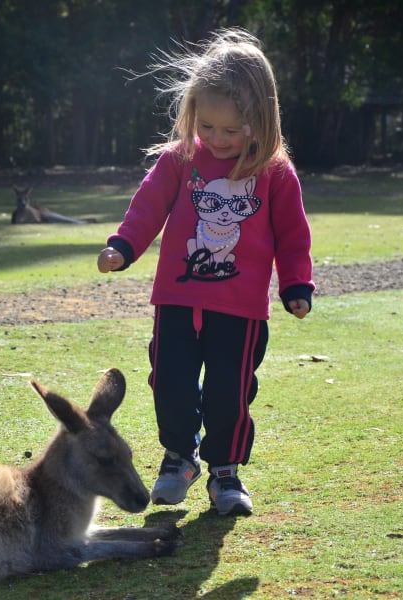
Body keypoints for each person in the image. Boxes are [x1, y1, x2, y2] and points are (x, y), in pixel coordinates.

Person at [96, 28, 314, 516]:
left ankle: (225, 473)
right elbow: (147, 208)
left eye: (230, 131)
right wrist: (122, 246)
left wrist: (297, 283)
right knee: (168, 381)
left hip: (240, 309)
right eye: (207, 126)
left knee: (229, 393)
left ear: (261, 119)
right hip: (176, 298)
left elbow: (293, 234)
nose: (216, 139)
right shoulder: (181, 160)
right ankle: (178, 458)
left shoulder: (275, 173)